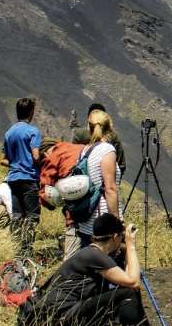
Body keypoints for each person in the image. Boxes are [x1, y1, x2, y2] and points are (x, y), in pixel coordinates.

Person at [34, 213, 172, 326]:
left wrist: (126, 251)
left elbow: (128, 279)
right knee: (127, 293)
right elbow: (133, 281)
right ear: (115, 237)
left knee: (127, 292)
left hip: (63, 314)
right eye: (120, 236)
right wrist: (131, 246)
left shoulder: (93, 253)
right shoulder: (95, 256)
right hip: (60, 318)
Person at [2, 97, 42, 256]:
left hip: (13, 178)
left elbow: (5, 158)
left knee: (17, 216)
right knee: (32, 217)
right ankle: (26, 250)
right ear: (31, 112)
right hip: (29, 178)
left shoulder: (9, 133)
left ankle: (16, 248)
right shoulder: (33, 131)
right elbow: (36, 156)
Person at [78, 110, 122, 245]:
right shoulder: (107, 150)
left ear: (89, 127)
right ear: (109, 127)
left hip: (87, 221)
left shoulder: (85, 151)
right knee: (111, 264)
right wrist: (116, 224)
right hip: (103, 221)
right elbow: (110, 188)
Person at [38, 139, 87, 257]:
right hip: (100, 206)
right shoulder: (81, 147)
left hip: (76, 215)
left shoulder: (53, 156)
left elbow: (45, 194)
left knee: (71, 261)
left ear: (44, 154)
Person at [74, 103, 125, 173]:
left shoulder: (79, 134)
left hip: (81, 178)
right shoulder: (113, 137)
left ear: (89, 119)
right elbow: (121, 165)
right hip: (107, 178)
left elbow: (72, 157)